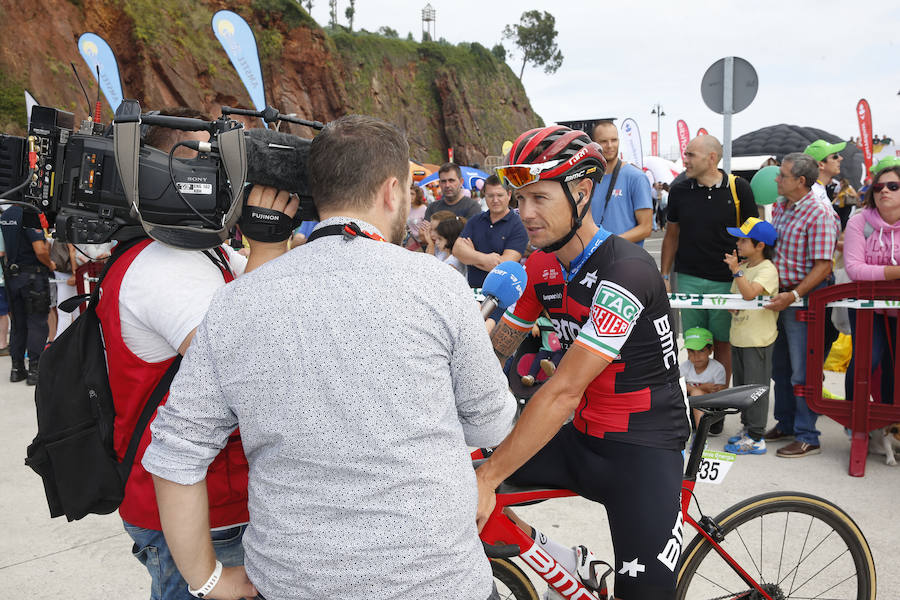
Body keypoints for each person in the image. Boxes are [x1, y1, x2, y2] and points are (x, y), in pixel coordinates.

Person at [143, 115, 516, 600]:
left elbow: (176, 455)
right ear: (391, 191)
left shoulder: (238, 302)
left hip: (294, 584)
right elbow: (490, 424)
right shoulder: (437, 286)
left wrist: (208, 580)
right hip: (435, 581)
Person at [478, 125, 690, 599]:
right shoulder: (540, 267)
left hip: (645, 447)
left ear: (581, 191)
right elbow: (497, 352)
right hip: (584, 438)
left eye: (539, 198)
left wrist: (491, 476)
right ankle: (563, 561)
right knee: (459, 482)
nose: (525, 213)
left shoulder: (628, 271)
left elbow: (563, 390)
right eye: (519, 198)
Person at [97, 108, 299, 600]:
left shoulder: (195, 250)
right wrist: (267, 248)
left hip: (216, 505)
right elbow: (248, 363)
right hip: (202, 519)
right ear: (161, 171)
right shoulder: (164, 266)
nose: (223, 174)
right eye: (207, 158)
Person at [661, 134, 758, 391]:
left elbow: (754, 238)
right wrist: (665, 277)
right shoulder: (679, 190)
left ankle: (719, 408)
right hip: (689, 278)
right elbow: (671, 235)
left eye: (691, 155)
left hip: (726, 280)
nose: (685, 160)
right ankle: (696, 403)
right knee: (694, 343)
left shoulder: (739, 188)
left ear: (711, 158)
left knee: (722, 344)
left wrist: (746, 279)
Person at [763, 153, 840, 458]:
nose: (776, 179)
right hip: (783, 297)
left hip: (803, 299)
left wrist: (793, 296)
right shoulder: (781, 207)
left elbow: (823, 266)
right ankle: (786, 423)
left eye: (782, 175)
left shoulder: (819, 213)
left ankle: (809, 435)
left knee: (802, 371)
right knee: (780, 366)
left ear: (801, 181)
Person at [843, 164, 900, 406]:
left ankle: (889, 424)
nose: (884, 191)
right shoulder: (859, 222)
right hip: (865, 306)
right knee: (867, 359)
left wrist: (876, 273)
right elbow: (855, 269)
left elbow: (865, 269)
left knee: (894, 363)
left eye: (893, 186)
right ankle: (853, 420)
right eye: (878, 187)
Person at [722, 218, 779, 455]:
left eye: (743, 240)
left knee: (757, 388)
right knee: (743, 388)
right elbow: (736, 299)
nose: (738, 243)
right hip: (740, 337)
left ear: (760, 245)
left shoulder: (767, 269)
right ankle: (747, 428)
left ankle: (757, 436)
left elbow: (749, 294)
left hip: (758, 339)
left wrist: (736, 271)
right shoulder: (745, 267)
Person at [0, 204, 54, 384]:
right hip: (33, 276)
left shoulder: (6, 214)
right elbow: (40, 249)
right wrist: (50, 264)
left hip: (12, 275)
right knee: (37, 323)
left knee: (18, 324)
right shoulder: (29, 213)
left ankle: (17, 369)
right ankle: (34, 370)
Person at [452, 174, 528, 289]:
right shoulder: (475, 220)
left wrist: (470, 257)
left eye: (500, 195)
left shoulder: (518, 225)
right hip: (473, 291)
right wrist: (485, 259)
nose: (495, 200)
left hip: (503, 294)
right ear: (484, 196)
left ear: (509, 195)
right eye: (490, 195)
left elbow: (503, 267)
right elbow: (457, 250)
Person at [589, 121, 653, 245]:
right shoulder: (588, 179)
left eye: (614, 140)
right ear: (594, 144)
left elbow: (646, 228)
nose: (610, 145)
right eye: (603, 141)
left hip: (625, 259)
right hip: (594, 258)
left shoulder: (636, 177)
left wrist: (608, 243)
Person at [680, 327, 727, 431]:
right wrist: (702, 388)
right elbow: (679, 387)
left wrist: (695, 390)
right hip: (690, 409)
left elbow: (719, 394)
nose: (696, 356)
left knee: (696, 393)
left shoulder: (717, 368)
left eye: (701, 351)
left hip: (711, 412)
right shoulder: (684, 367)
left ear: (711, 350)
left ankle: (701, 433)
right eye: (691, 351)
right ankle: (700, 431)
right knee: (693, 392)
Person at [404, 183, 427, 251]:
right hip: (411, 241)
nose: (410, 196)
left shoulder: (424, 209)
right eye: (409, 193)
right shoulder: (408, 208)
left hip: (422, 244)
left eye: (412, 194)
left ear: (418, 196)